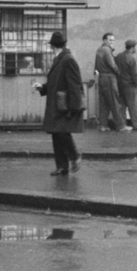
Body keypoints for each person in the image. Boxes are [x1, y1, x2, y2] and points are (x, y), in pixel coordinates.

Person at [37, 29, 85, 175]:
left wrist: (74, 107)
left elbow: (75, 85)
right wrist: (43, 88)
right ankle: (62, 166)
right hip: (58, 103)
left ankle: (75, 156)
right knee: (56, 133)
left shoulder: (67, 59)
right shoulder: (60, 58)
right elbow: (55, 82)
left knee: (62, 133)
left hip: (64, 105)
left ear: (52, 46)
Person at [93, 33, 123, 132]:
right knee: (114, 102)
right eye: (110, 40)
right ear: (104, 40)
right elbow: (112, 65)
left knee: (104, 104)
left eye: (113, 40)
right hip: (109, 78)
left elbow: (96, 66)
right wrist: (119, 73)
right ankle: (121, 126)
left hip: (101, 78)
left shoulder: (99, 50)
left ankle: (103, 125)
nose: (112, 42)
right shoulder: (107, 50)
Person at [115, 38, 137, 131]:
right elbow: (134, 73)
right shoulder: (132, 58)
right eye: (136, 47)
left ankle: (122, 124)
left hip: (119, 84)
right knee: (133, 105)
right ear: (132, 48)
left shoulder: (118, 56)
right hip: (130, 85)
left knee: (122, 106)